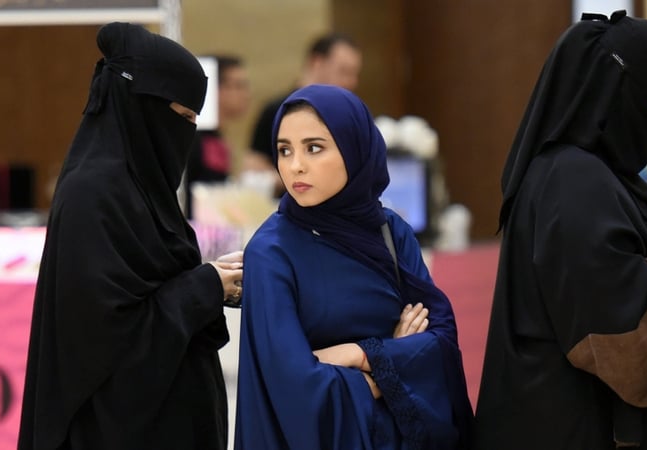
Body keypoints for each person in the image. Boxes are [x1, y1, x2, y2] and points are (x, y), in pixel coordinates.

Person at [472, 10, 647, 449]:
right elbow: (606, 310)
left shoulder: (584, 173)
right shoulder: (573, 177)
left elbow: (601, 268)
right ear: (618, 90)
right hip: (569, 423)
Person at [17, 22, 243, 450]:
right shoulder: (93, 197)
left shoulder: (138, 189)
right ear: (141, 109)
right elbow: (101, 344)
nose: (186, 133)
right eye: (181, 117)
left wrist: (213, 282)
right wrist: (205, 285)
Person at [234, 84, 473, 449]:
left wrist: (357, 355)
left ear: (354, 146)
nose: (295, 165)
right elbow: (294, 388)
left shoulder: (390, 231)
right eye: (284, 150)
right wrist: (389, 368)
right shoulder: (271, 252)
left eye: (314, 148)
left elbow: (438, 339)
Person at [246, 32, 362, 177]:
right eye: (344, 72)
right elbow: (254, 167)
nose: (351, 82)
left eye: (354, 74)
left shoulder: (347, 114)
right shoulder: (277, 110)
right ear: (317, 63)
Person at [184, 54, 251, 218]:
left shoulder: (217, 139)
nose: (246, 94)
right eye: (238, 86)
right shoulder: (194, 139)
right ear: (214, 88)